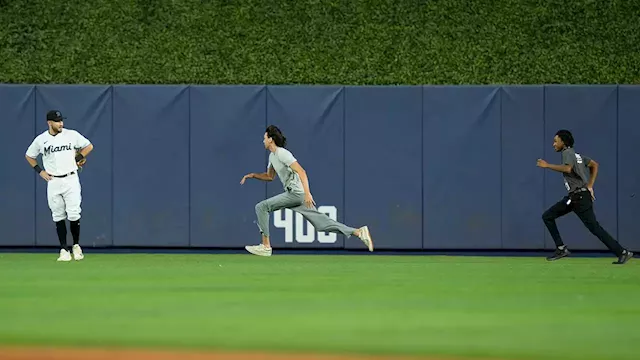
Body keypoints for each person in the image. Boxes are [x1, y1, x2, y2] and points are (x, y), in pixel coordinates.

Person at [240, 125, 373, 256]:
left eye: (264, 138)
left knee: (261, 207)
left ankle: (266, 245)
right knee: (322, 224)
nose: (263, 140)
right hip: (298, 196)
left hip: (296, 194)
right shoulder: (272, 157)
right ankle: (358, 232)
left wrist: (307, 193)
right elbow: (269, 176)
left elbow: (302, 171)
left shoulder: (282, 153)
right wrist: (252, 175)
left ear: (270, 139)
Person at [537, 129, 633, 264]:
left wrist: (547, 165)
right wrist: (590, 185)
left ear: (563, 142)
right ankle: (561, 248)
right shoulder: (577, 155)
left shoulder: (567, 153)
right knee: (548, 216)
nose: (553, 144)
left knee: (593, 227)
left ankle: (622, 252)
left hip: (578, 198)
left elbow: (567, 169)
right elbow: (594, 165)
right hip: (577, 196)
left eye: (555, 141)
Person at [25, 110, 94, 262]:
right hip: (53, 180)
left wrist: (78, 157)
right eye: (57, 121)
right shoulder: (41, 140)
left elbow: (88, 146)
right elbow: (29, 155)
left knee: (74, 213)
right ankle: (64, 249)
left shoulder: (71, 135)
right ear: (49, 123)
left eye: (61, 120)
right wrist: (40, 171)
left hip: (71, 178)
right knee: (58, 215)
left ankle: (76, 246)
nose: (61, 123)